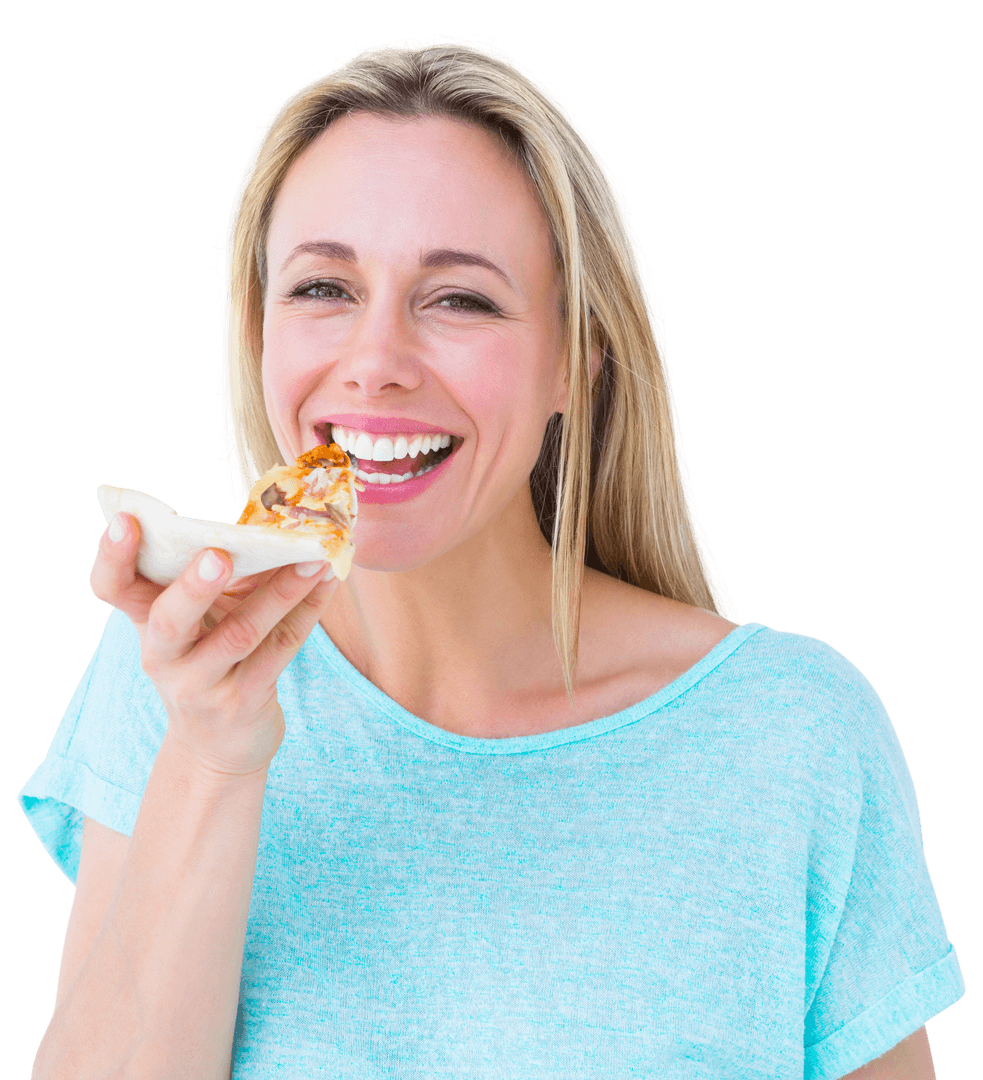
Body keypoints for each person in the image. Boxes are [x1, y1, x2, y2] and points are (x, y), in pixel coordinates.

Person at [20, 32, 963, 1080]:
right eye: (322, 289)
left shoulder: (793, 739)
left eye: (458, 299)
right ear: (255, 332)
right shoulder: (173, 666)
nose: (373, 363)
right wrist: (212, 750)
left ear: (574, 360)